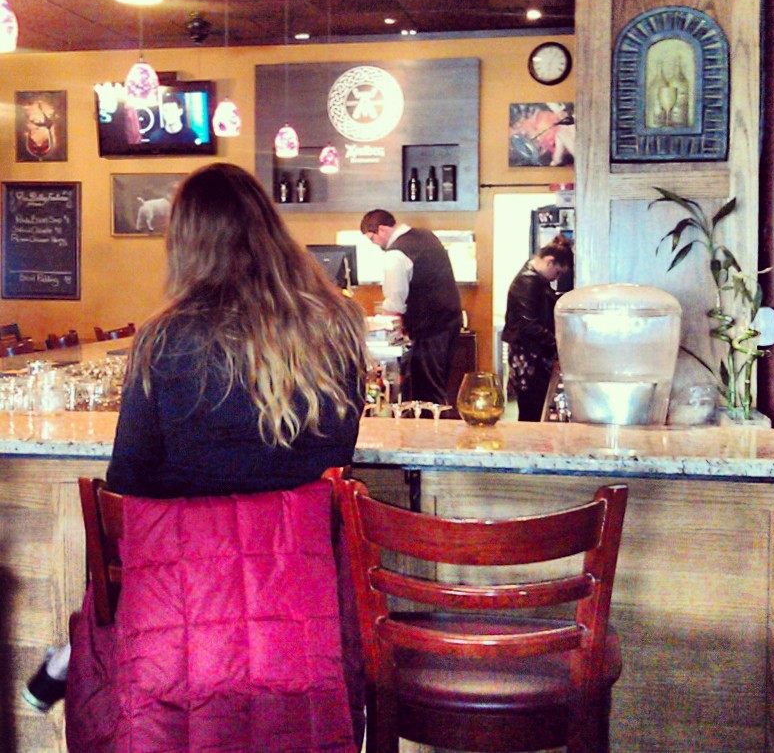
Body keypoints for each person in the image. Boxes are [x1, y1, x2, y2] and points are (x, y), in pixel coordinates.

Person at [24, 163, 368, 712]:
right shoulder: (340, 323)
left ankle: (82, 650)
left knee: (139, 548)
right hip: (303, 579)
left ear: (186, 244)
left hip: (185, 589)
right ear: (269, 227)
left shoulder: (164, 337)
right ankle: (80, 649)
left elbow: (128, 479)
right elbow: (338, 452)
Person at [360, 208, 462, 404]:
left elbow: (395, 300)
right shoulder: (426, 236)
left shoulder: (396, 253)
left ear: (382, 230)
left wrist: (384, 323)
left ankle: (426, 423)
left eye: (372, 239)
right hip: (449, 321)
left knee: (426, 389)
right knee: (438, 384)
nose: (375, 244)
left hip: (428, 328)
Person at [502, 236, 574, 422]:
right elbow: (527, 326)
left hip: (529, 355)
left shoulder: (532, 280)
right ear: (550, 262)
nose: (557, 278)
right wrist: (557, 344)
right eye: (557, 272)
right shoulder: (528, 282)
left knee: (531, 407)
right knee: (532, 408)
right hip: (531, 357)